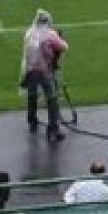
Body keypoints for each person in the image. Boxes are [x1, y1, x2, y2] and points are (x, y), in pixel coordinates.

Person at [20, 9, 67, 141]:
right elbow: (63, 47)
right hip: (45, 71)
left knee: (32, 96)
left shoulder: (29, 32)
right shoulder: (50, 34)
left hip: (30, 70)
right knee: (52, 99)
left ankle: (32, 121)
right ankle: (53, 130)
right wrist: (61, 40)